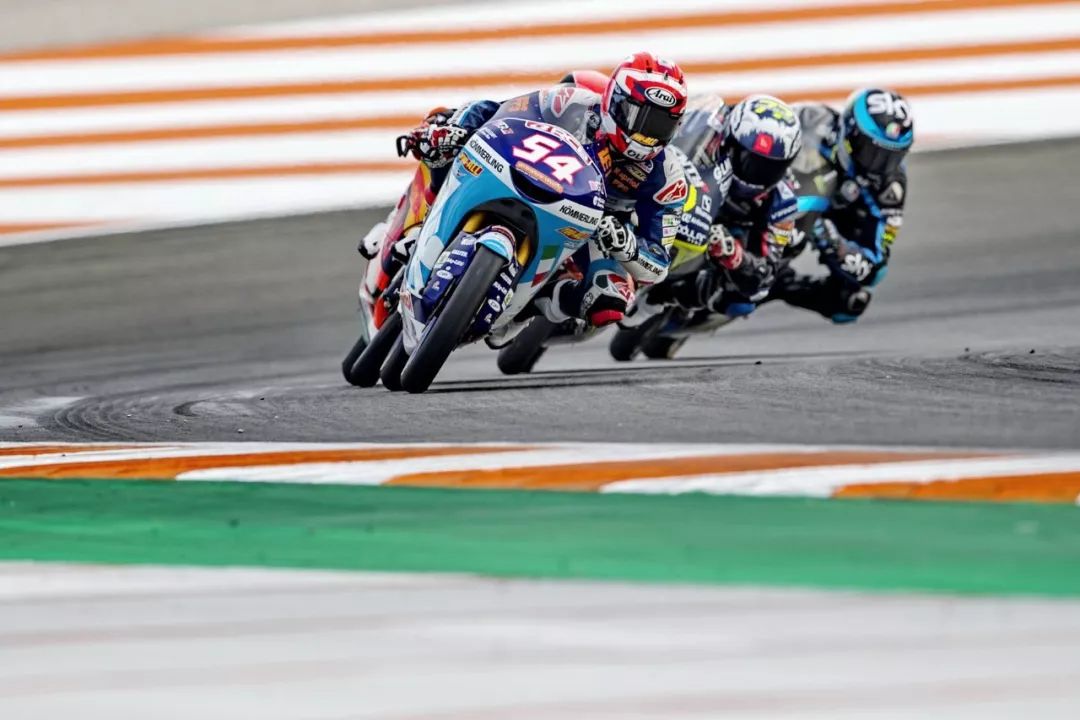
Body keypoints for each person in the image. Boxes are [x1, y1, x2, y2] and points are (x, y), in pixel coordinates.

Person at [396, 52, 690, 328]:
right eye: (641, 119)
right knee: (444, 146)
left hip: (594, 228)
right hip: (530, 177)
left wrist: (625, 245)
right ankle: (421, 224)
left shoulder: (668, 176)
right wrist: (457, 130)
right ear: (615, 102)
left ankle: (528, 307)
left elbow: (658, 264)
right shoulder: (570, 103)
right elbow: (496, 111)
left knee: (610, 299)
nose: (647, 136)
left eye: (660, 126)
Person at [614, 93, 802, 356]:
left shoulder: (782, 200)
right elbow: (671, 144)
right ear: (731, 143)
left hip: (721, 244)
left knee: (741, 301)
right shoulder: (706, 126)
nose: (758, 174)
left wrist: (734, 255)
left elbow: (765, 276)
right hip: (688, 199)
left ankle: (662, 298)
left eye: (771, 168)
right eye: (750, 161)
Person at [771, 88, 914, 323]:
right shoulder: (810, 119)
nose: (879, 166)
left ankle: (777, 283)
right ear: (850, 135)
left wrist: (832, 241)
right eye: (872, 153)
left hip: (827, 222)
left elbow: (875, 266)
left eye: (891, 158)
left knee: (850, 301)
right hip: (777, 196)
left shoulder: (891, 186)